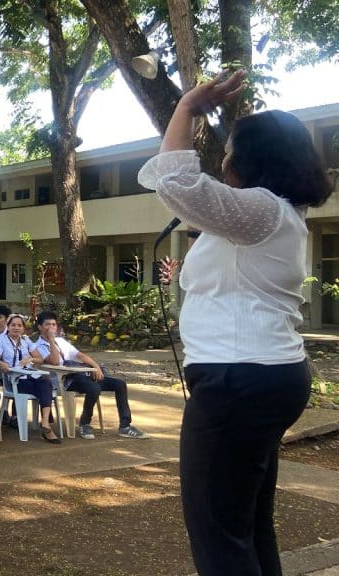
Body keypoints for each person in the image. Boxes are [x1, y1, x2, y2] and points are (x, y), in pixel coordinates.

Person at [138, 70, 332, 576]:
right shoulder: (276, 214)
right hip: (261, 377)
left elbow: (177, 181)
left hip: (237, 381)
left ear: (254, 159)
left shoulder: (262, 211)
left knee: (218, 532)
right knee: (245, 526)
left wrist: (186, 108)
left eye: (229, 152)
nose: (222, 161)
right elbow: (187, 195)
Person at [32, 311, 147, 440]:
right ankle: (85, 423)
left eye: (54, 324)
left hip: (80, 375)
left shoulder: (61, 341)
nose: (52, 327)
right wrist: (52, 341)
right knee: (94, 388)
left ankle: (125, 426)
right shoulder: (38, 346)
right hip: (64, 380)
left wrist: (96, 367)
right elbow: (54, 361)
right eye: (48, 324)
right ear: (40, 327)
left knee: (119, 384)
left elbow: (79, 355)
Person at [0, 314, 60, 444]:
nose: (16, 328)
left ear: (23, 328)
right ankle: (47, 427)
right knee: (43, 389)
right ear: (7, 327)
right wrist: (1, 364)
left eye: (20, 325)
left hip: (30, 374)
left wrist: (30, 358)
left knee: (46, 382)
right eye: (13, 325)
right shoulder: (2, 340)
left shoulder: (26, 340)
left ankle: (45, 422)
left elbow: (40, 359)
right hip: (15, 378)